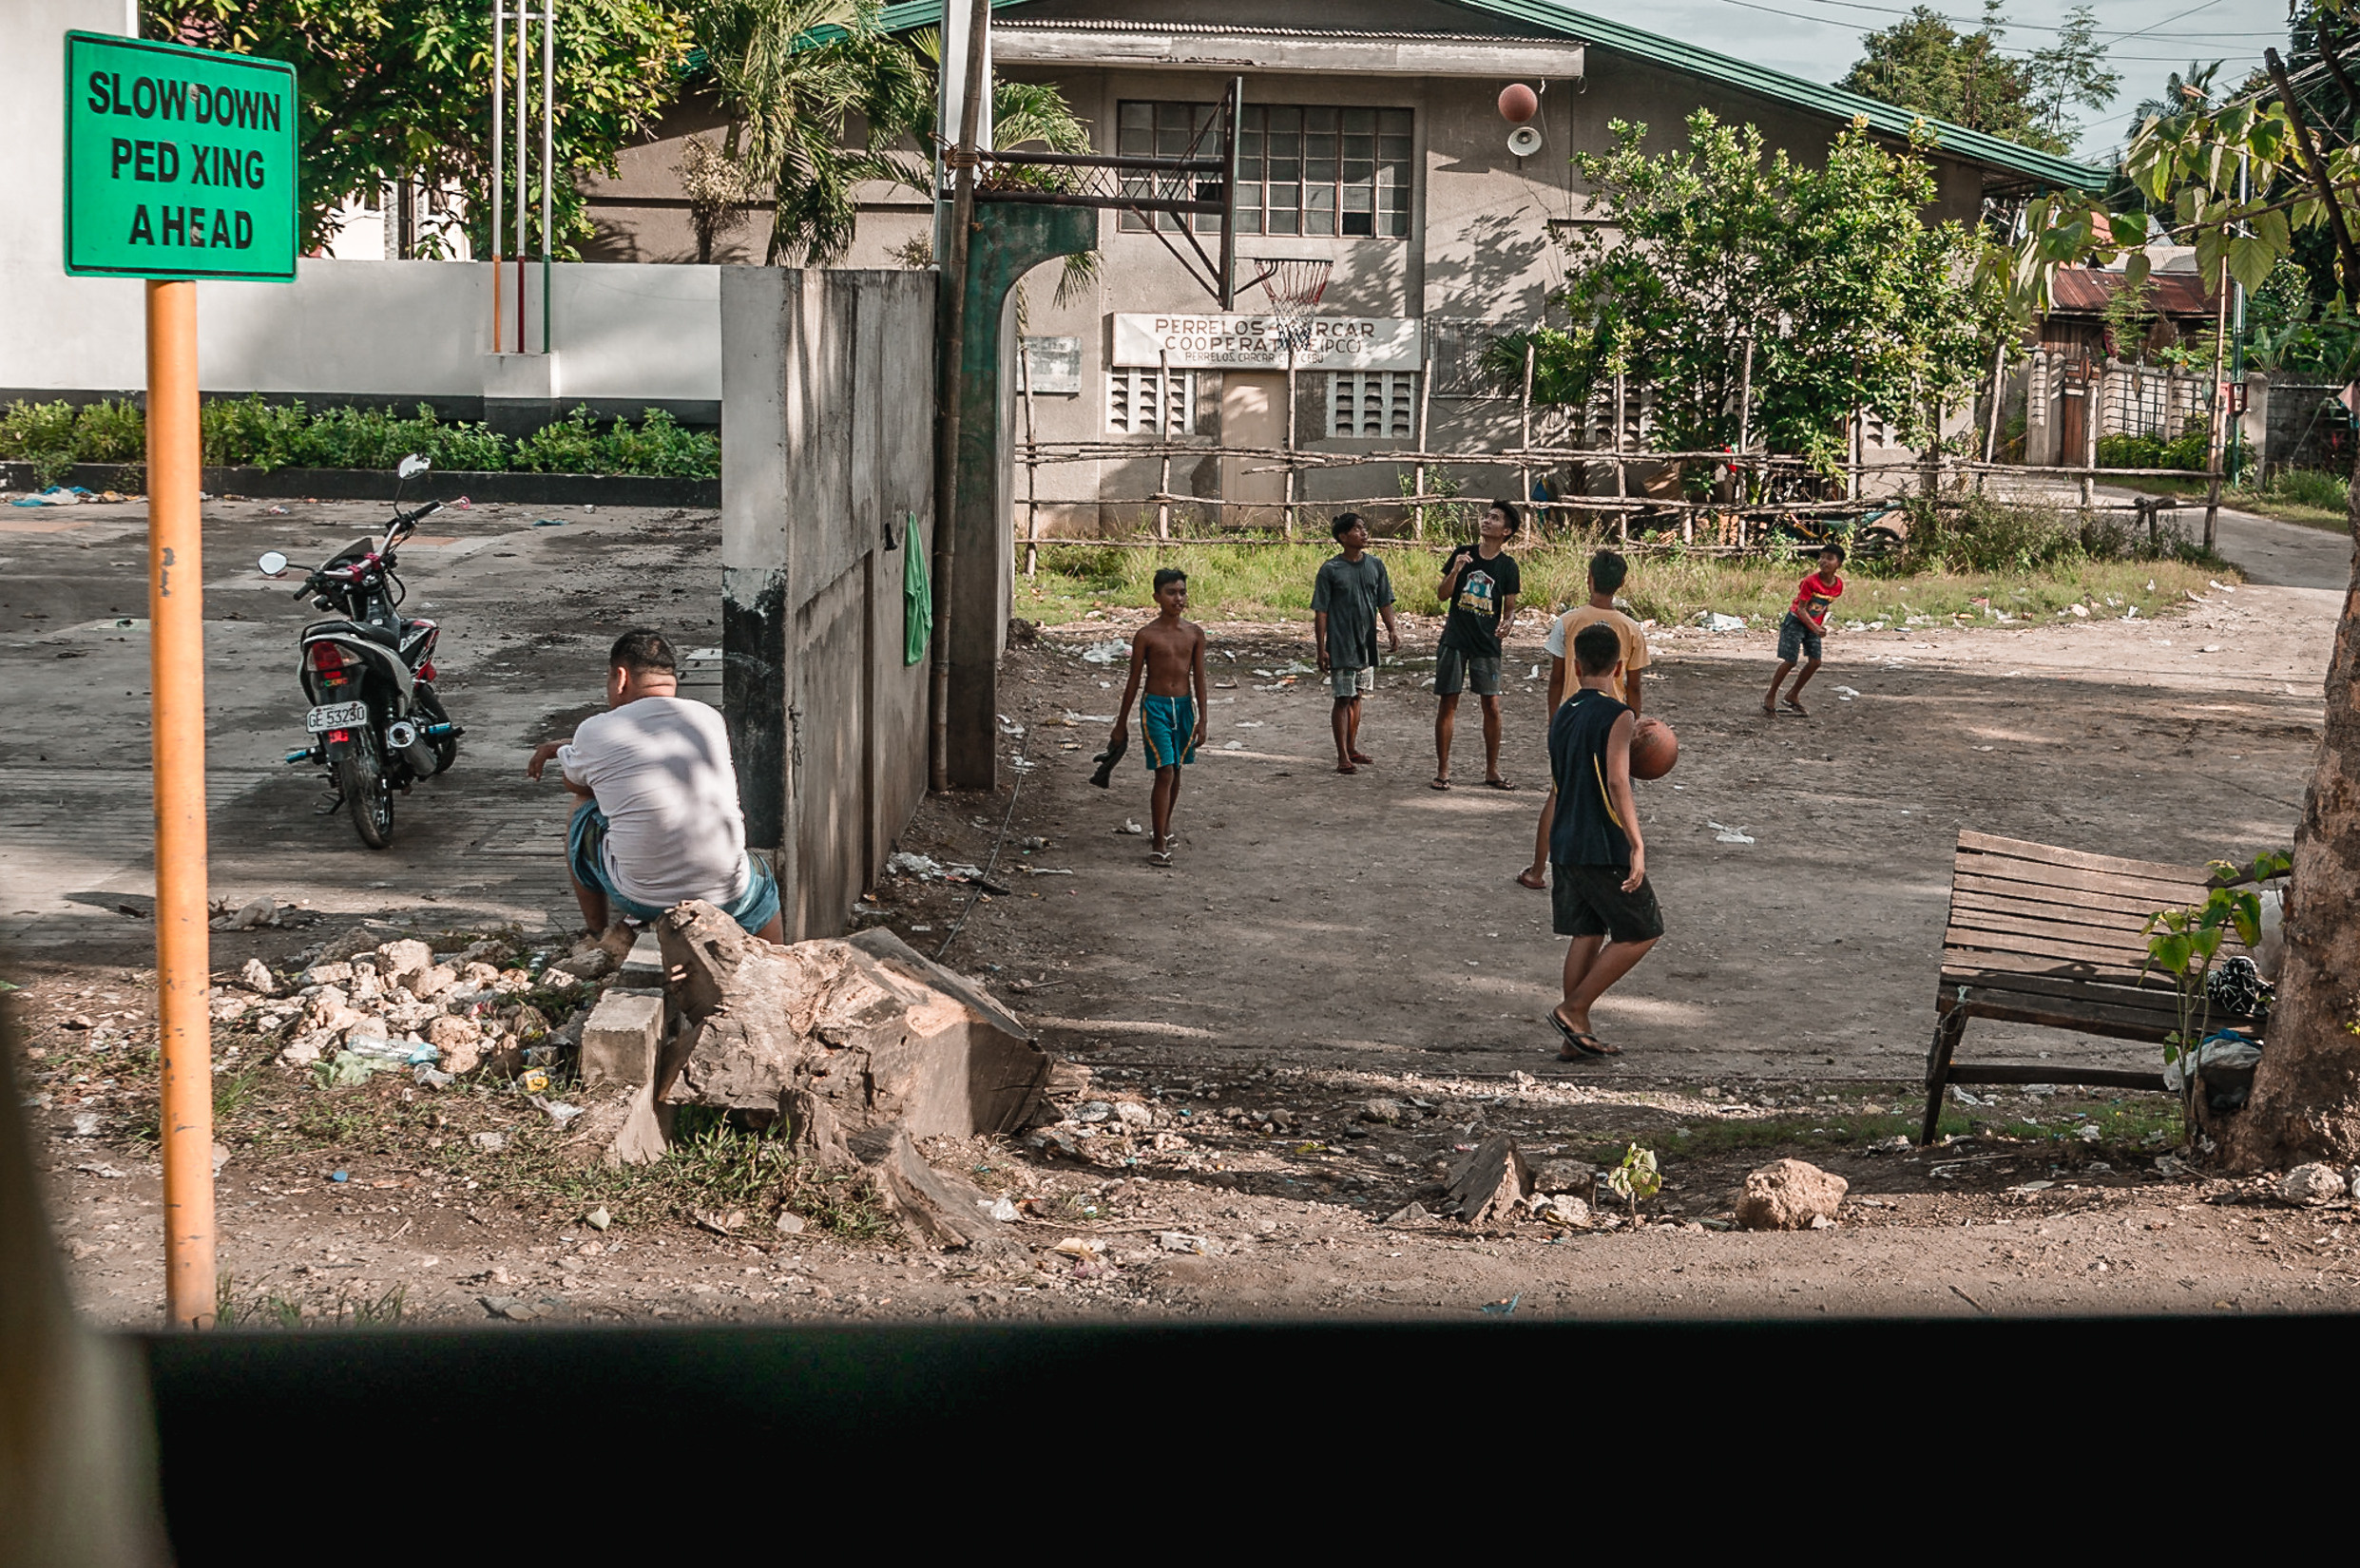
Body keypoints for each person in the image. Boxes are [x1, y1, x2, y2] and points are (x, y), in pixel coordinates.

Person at [525, 628, 783, 943]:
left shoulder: (595, 730)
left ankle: (596, 932)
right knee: (761, 878)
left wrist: (565, 749)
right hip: (727, 895)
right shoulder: (708, 718)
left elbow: (575, 784)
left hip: (643, 899)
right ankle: (777, 956)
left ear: (620, 677)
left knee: (581, 811)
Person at [1544, 621, 1663, 1060]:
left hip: (1566, 840)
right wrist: (1636, 843)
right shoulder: (1619, 714)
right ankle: (1573, 1009)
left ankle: (1573, 1038)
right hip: (1601, 843)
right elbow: (1617, 781)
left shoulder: (1563, 713)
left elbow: (1559, 783)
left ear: (1575, 666)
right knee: (1643, 930)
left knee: (1587, 932)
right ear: (1618, 668)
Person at [1519, 548, 1651, 890]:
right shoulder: (1631, 628)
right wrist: (1634, 723)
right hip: (1613, 719)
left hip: (1573, 715)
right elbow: (1634, 686)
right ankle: (1623, 864)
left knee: (1559, 793)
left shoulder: (1567, 621)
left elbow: (1555, 677)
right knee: (1619, 791)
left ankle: (1537, 870)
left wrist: (1555, 722)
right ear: (1621, 583)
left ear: (1588, 578)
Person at [1108, 566, 1209, 866]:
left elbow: (1200, 678)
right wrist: (1120, 724)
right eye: (1171, 593)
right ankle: (1158, 840)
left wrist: (1203, 718)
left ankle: (1164, 825)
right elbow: (1133, 680)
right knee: (1164, 770)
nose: (1178, 598)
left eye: (1182, 592)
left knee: (1176, 769)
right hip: (1155, 708)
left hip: (1183, 709)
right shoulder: (1146, 636)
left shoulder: (1194, 634)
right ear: (1156, 597)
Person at [1430, 501, 1523, 790]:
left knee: (1492, 706)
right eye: (1486, 516)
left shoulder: (1508, 566)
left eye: (1494, 519)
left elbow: (1509, 608)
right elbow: (1442, 595)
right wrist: (1456, 570)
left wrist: (1508, 623)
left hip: (1487, 644)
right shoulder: (1463, 553)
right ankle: (1443, 770)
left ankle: (1491, 770)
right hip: (1455, 639)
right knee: (1448, 702)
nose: (1486, 521)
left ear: (1506, 531)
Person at [1311, 512, 1400, 775]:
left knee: (1357, 695)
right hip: (1340, 643)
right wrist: (1321, 648)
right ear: (1343, 537)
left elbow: (1384, 601)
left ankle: (1351, 747)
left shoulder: (1375, 565)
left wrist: (1392, 629)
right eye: (1357, 529)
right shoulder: (1331, 570)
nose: (1364, 533)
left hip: (1366, 643)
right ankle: (1341, 755)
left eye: (1364, 528)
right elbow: (1321, 611)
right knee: (1342, 698)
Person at [1766, 543, 1845, 716]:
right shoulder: (1810, 582)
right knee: (1790, 661)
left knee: (1815, 662)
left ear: (1838, 564)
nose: (1824, 561)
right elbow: (1801, 609)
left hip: (1812, 624)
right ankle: (1770, 696)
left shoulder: (1838, 585)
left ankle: (1793, 694)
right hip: (1795, 621)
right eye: (1822, 557)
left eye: (1829, 558)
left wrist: (1819, 624)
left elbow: (1825, 606)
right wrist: (1815, 627)